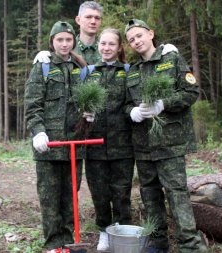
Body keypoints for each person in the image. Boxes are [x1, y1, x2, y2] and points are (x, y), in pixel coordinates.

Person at [124, 19, 208, 253]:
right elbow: (124, 105)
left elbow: (191, 91)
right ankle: (158, 242)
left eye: (139, 35)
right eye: (131, 40)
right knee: (149, 194)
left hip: (170, 143)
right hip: (143, 146)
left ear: (151, 34)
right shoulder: (132, 71)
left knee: (177, 194)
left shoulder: (171, 59)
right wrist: (132, 112)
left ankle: (189, 245)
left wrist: (164, 104)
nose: (136, 41)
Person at [24, 21, 87, 253]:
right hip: (48, 147)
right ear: (52, 42)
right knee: (50, 200)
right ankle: (53, 245)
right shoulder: (42, 66)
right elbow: (32, 105)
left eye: (68, 39)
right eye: (59, 39)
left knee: (70, 199)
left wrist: (88, 116)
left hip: (74, 146)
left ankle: (68, 243)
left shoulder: (81, 69)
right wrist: (38, 131)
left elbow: (88, 102)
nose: (64, 44)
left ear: (74, 42)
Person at [83, 28, 134, 251]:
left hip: (123, 145)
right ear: (98, 46)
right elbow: (78, 99)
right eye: (103, 44)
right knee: (100, 193)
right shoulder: (88, 71)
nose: (106, 48)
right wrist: (84, 113)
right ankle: (104, 230)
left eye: (111, 44)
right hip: (94, 146)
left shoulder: (129, 71)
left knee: (122, 193)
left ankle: (122, 233)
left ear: (119, 47)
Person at [33, 1, 103, 65]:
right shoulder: (66, 47)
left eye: (97, 18)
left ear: (101, 21)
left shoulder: (107, 50)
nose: (93, 21)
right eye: (88, 17)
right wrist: (45, 55)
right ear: (78, 20)